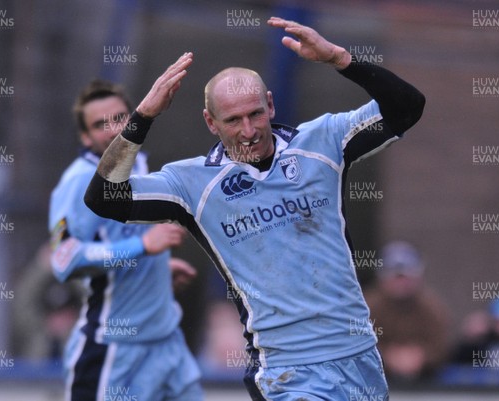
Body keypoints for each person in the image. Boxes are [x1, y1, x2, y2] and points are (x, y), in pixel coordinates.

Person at [85, 16, 425, 400]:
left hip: (359, 358)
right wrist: (142, 117)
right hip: (288, 373)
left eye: (255, 114)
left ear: (270, 104)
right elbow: (103, 198)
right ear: (210, 123)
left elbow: (407, 108)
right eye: (233, 120)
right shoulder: (192, 185)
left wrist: (340, 59)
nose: (248, 130)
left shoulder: (322, 143)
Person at [49, 79, 203, 401]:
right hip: (113, 349)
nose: (112, 129)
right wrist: (142, 248)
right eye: (99, 124)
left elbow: (123, 245)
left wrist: (158, 267)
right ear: (85, 136)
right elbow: (64, 260)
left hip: (167, 342)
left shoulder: (140, 165)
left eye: (119, 118)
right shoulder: (76, 182)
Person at [364, 241, 450, 383]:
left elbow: (442, 346)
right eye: (395, 277)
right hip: (375, 381)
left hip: (426, 382)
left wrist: (421, 357)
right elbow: (356, 343)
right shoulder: (367, 307)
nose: (401, 283)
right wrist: (387, 356)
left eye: (406, 277)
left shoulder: (432, 307)